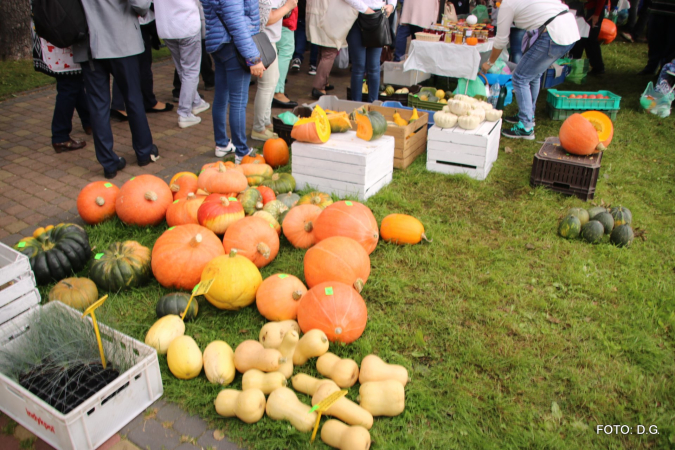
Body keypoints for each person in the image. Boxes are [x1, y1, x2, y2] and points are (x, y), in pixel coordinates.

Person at [74, 0, 159, 179]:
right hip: (122, 41)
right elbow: (141, 5)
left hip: (89, 43)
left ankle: (108, 162)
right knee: (133, 98)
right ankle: (144, 151)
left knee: (98, 106)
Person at [482, 0, 580, 140]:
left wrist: (490, 62)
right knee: (534, 74)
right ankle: (528, 114)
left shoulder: (507, 4)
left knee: (520, 77)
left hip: (553, 33)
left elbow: (501, 40)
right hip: (570, 29)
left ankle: (526, 127)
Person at [203, 0, 265, 162]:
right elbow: (235, 21)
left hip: (218, 42)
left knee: (222, 97)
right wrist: (253, 58)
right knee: (237, 101)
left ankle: (222, 144)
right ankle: (242, 152)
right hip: (232, 45)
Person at [31, 29, 91, 153]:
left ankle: (89, 121)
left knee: (74, 81)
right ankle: (60, 135)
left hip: (56, 37)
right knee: (69, 84)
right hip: (61, 38)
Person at [154, 0, 210, 128]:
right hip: (186, 24)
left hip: (166, 26)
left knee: (182, 68)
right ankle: (185, 113)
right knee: (190, 71)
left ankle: (195, 101)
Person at [110, 12, 174, 121]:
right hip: (136, 22)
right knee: (142, 64)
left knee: (125, 63)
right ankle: (147, 101)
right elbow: (140, 5)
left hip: (124, 23)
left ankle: (118, 103)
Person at [252, 0, 299, 141]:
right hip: (264, 39)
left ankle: (265, 123)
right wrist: (288, 6)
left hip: (268, 39)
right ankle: (258, 127)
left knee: (272, 82)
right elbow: (268, 18)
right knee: (267, 85)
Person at [345, 0, 397, 103]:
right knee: (359, 66)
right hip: (356, 16)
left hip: (377, 16)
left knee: (374, 66)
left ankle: (374, 105)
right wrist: (366, 10)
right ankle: (356, 106)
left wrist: (391, 5)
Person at [569, 0, 605, 76]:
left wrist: (596, 14)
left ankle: (598, 68)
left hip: (592, 10)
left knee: (591, 40)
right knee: (578, 39)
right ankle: (573, 67)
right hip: (579, 7)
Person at [273, 6, 299, 108]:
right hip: (283, 17)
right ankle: (278, 92)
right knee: (285, 52)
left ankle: (275, 90)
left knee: (278, 51)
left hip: (277, 17)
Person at [639, 0, 675, 75]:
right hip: (656, 8)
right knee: (653, 40)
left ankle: (665, 69)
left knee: (671, 44)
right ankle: (651, 67)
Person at [291, 0, 319, 74]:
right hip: (316, 11)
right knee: (314, 36)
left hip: (302, 9)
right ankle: (313, 64)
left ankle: (297, 58)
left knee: (301, 32)